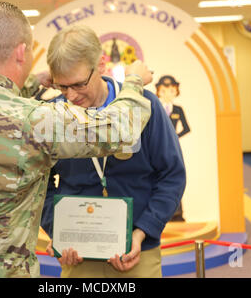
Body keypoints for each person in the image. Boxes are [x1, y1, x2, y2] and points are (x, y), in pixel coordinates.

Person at [0, 2, 154, 278]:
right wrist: (133, 81)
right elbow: (122, 129)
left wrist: (31, 82)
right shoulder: (32, 120)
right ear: (21, 52)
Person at [40, 25, 186, 278]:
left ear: (102, 65)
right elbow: (38, 184)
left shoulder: (145, 105)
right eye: (62, 87)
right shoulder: (51, 115)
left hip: (137, 250)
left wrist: (143, 232)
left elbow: (171, 175)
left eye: (78, 84)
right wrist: (57, 230)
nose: (71, 96)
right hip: (77, 255)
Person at [155, 75, 190, 222]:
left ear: (176, 91)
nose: (168, 93)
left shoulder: (178, 109)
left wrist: (175, 136)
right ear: (159, 92)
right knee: (158, 178)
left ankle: (177, 213)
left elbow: (186, 128)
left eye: (171, 90)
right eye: (164, 90)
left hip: (174, 149)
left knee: (175, 177)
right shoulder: (156, 107)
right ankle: (161, 214)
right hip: (157, 149)